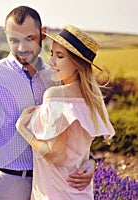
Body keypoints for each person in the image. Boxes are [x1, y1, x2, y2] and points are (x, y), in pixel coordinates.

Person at [0, 6, 96, 200]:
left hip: (49, 183)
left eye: (30, 38)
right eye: (14, 40)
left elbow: (76, 130)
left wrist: (90, 161)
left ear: (43, 34)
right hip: (9, 182)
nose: (21, 48)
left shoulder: (55, 77)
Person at [16, 24, 115, 199]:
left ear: (77, 64)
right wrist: (91, 162)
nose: (51, 62)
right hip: (81, 194)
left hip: (55, 193)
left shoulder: (55, 96)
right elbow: (79, 149)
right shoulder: (93, 99)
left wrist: (22, 128)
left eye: (60, 56)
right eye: (52, 54)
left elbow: (56, 155)